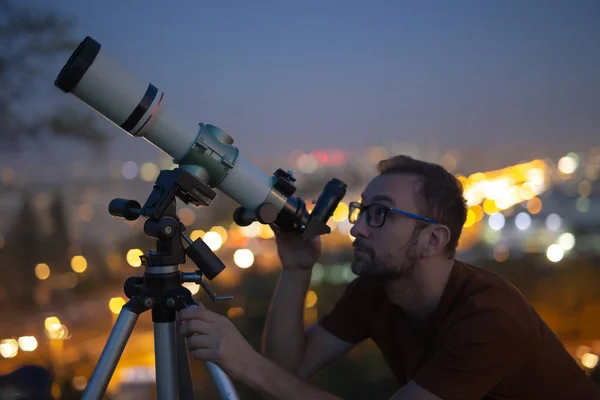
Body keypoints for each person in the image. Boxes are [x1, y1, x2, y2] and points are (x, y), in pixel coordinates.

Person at [179, 155, 600, 399]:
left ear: (433, 240)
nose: (358, 228)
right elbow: (289, 369)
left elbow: (269, 375)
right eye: (361, 211)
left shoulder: (489, 320)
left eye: (379, 214)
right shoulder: (377, 291)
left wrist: (246, 363)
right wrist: (296, 269)